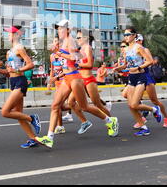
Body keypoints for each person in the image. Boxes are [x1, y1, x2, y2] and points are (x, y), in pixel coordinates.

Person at [35, 20, 117, 149]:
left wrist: (58, 52)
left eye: (61, 29)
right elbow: (64, 64)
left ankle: (110, 120)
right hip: (66, 79)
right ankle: (49, 138)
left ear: (68, 30)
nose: (59, 31)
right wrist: (55, 76)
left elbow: (74, 58)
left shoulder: (70, 41)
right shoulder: (64, 43)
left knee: (84, 106)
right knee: (55, 106)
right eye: (58, 29)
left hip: (75, 78)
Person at [0, 25, 40, 149]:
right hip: (13, 82)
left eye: (11, 33)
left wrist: (18, 70)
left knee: (5, 112)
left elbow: (30, 65)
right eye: (8, 33)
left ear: (17, 35)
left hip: (20, 81)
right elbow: (9, 72)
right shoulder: (9, 52)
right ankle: (32, 139)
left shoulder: (19, 48)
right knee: (18, 114)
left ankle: (32, 118)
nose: (9, 35)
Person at [66, 30, 119, 137]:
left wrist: (78, 64)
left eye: (79, 37)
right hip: (80, 80)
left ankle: (112, 123)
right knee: (71, 102)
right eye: (77, 37)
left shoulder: (88, 48)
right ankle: (84, 122)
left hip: (88, 80)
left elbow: (90, 64)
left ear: (86, 38)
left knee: (98, 104)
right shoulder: (80, 49)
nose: (77, 39)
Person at [120, 27, 162, 137]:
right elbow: (126, 65)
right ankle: (144, 127)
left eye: (128, 34)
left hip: (140, 76)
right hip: (131, 78)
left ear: (134, 35)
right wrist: (119, 68)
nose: (126, 37)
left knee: (134, 104)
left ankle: (154, 109)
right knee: (130, 105)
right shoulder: (126, 49)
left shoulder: (138, 47)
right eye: (125, 35)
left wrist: (138, 68)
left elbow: (150, 61)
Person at [136, 34, 167, 129]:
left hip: (146, 77)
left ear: (141, 41)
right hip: (136, 77)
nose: (136, 43)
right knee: (133, 101)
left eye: (137, 40)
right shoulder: (132, 51)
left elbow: (151, 61)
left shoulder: (145, 50)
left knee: (154, 100)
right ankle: (141, 119)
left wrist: (141, 66)